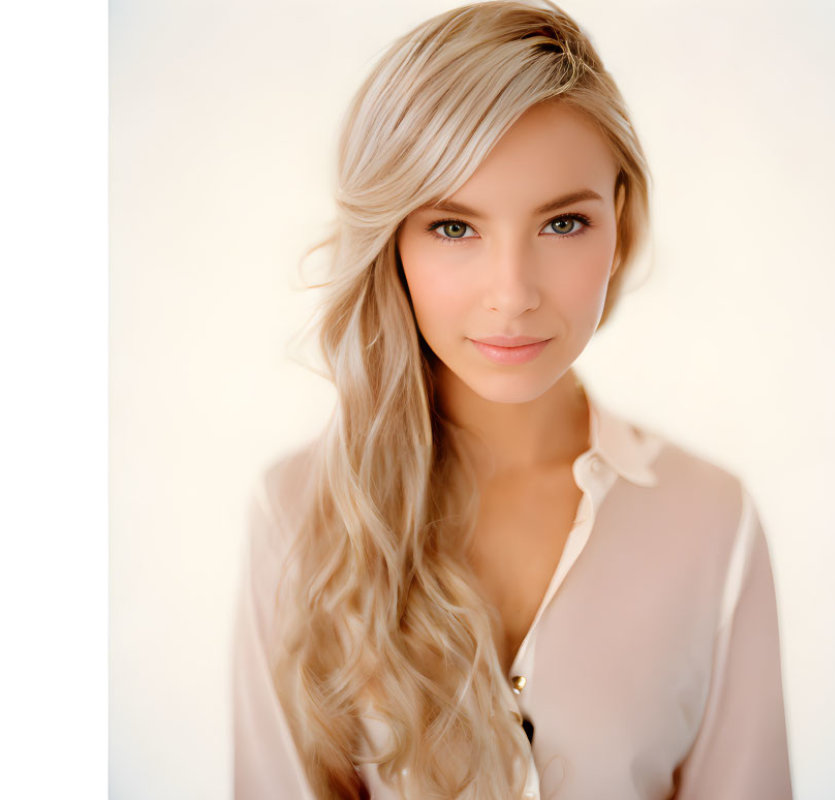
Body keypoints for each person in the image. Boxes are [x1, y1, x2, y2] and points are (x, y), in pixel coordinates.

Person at [232, 2, 793, 798]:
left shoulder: (713, 523)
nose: (513, 294)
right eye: (454, 228)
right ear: (391, 239)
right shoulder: (296, 512)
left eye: (563, 222)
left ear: (621, 222)